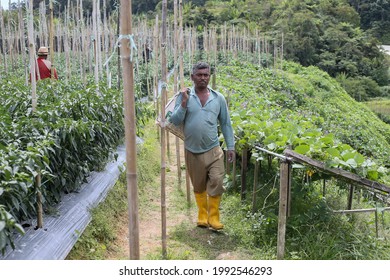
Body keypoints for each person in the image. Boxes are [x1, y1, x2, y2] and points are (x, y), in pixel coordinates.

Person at [170, 62, 235, 230]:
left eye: (206, 75)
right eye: (199, 75)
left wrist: (231, 146)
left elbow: (226, 124)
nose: (203, 78)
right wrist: (184, 103)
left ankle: (214, 217)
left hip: (213, 149)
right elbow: (175, 121)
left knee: (217, 180)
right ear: (192, 77)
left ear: (209, 76)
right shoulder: (184, 96)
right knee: (198, 184)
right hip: (192, 150)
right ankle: (202, 214)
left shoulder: (218, 98)